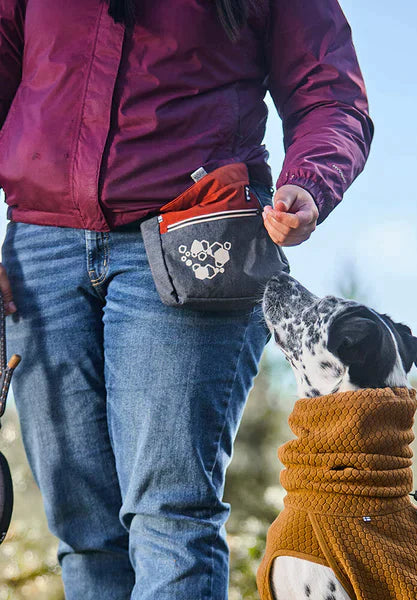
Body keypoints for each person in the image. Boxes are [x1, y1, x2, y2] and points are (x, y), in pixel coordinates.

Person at [0, 0, 373, 597]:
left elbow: (330, 92)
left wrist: (309, 180)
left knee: (170, 517)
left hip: (196, 238)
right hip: (41, 249)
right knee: (82, 529)